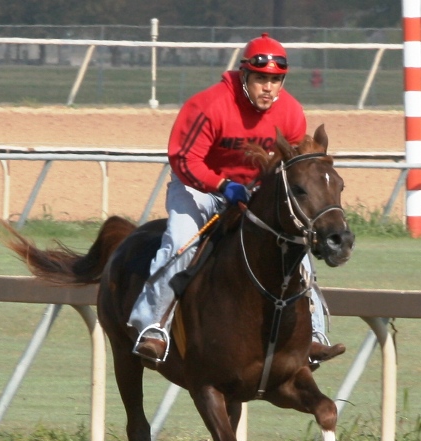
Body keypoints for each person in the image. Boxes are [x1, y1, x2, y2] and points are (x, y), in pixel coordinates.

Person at [128, 32, 342, 365]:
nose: (268, 88)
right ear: (244, 76)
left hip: (254, 194)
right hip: (198, 189)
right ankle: (152, 325)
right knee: (180, 243)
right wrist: (223, 185)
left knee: (296, 250)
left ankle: (313, 335)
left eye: (276, 80)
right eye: (261, 79)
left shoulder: (291, 113)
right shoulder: (209, 105)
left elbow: (298, 167)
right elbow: (183, 159)